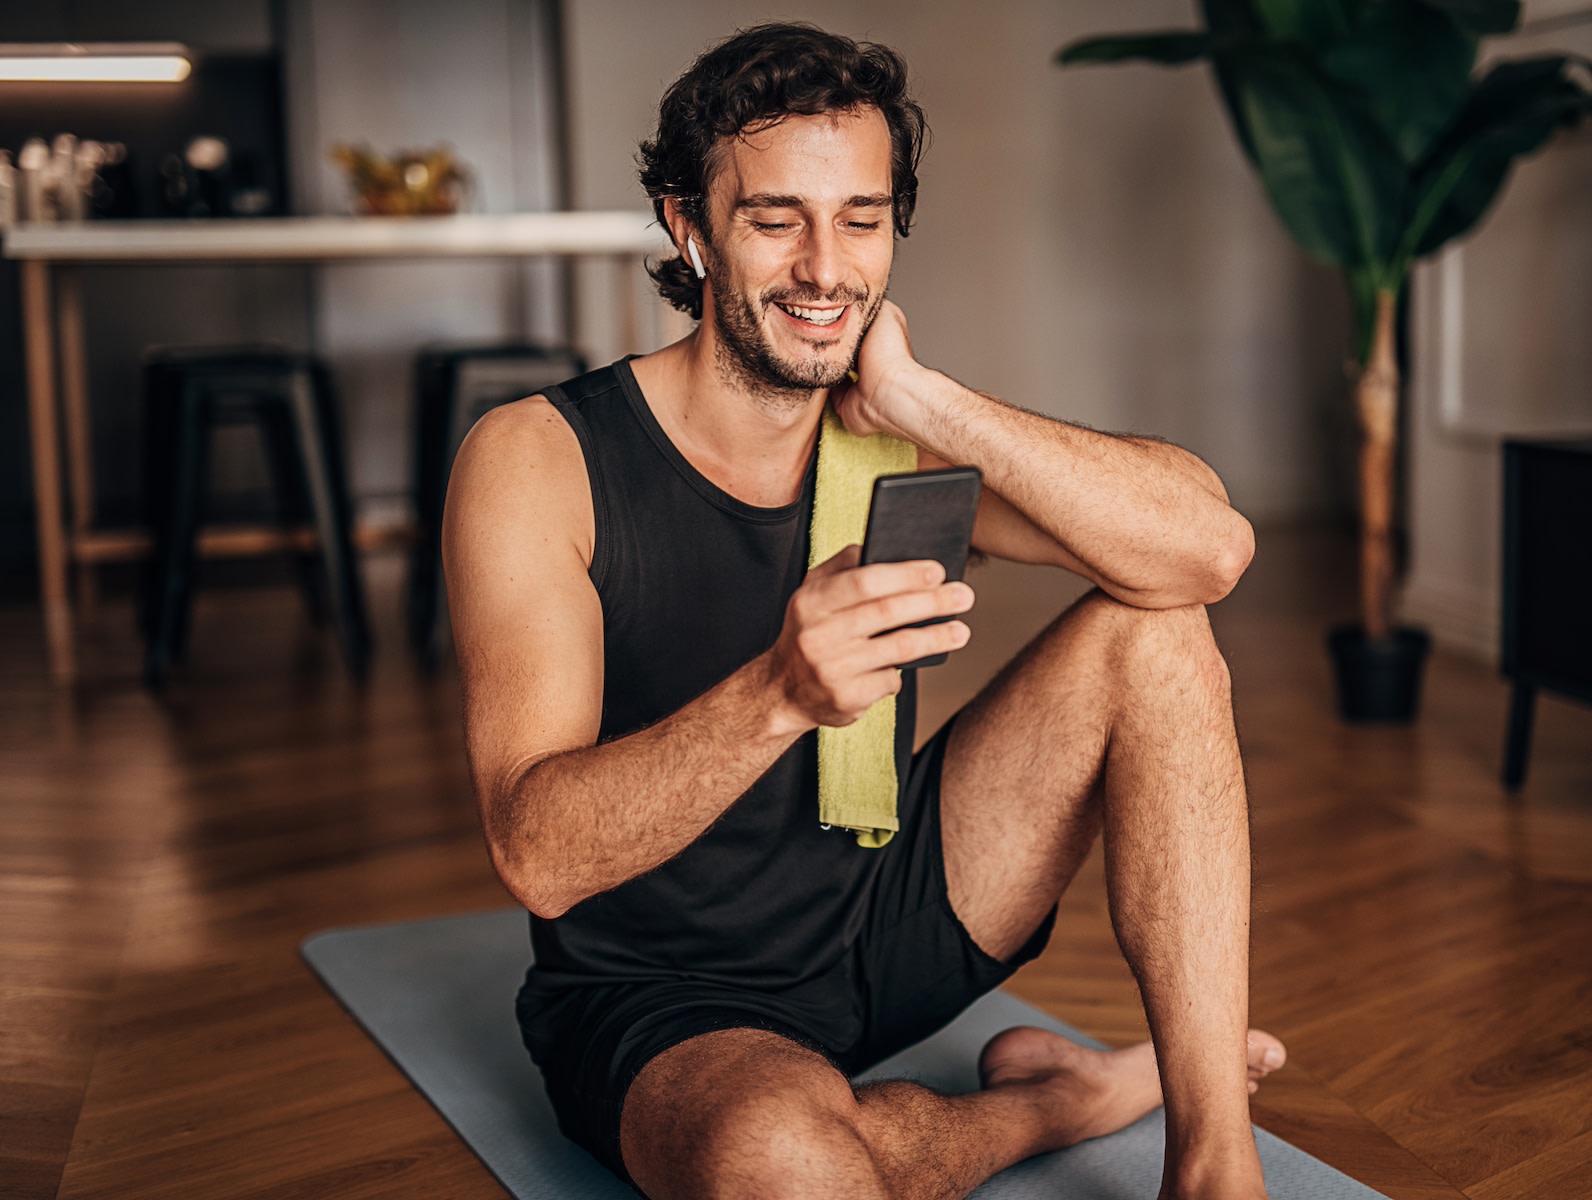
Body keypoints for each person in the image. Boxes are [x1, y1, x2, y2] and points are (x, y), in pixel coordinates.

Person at [443, 21, 1281, 1200]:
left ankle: (1213, 1166)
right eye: (776, 219)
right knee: (791, 1164)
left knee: (1154, 626)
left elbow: (1208, 550)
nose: (826, 268)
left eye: (864, 220)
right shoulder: (540, 460)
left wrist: (918, 395)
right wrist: (780, 694)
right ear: (690, 228)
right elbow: (536, 855)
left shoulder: (888, 431)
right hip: (667, 1000)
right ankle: (1056, 1103)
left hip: (888, 910)